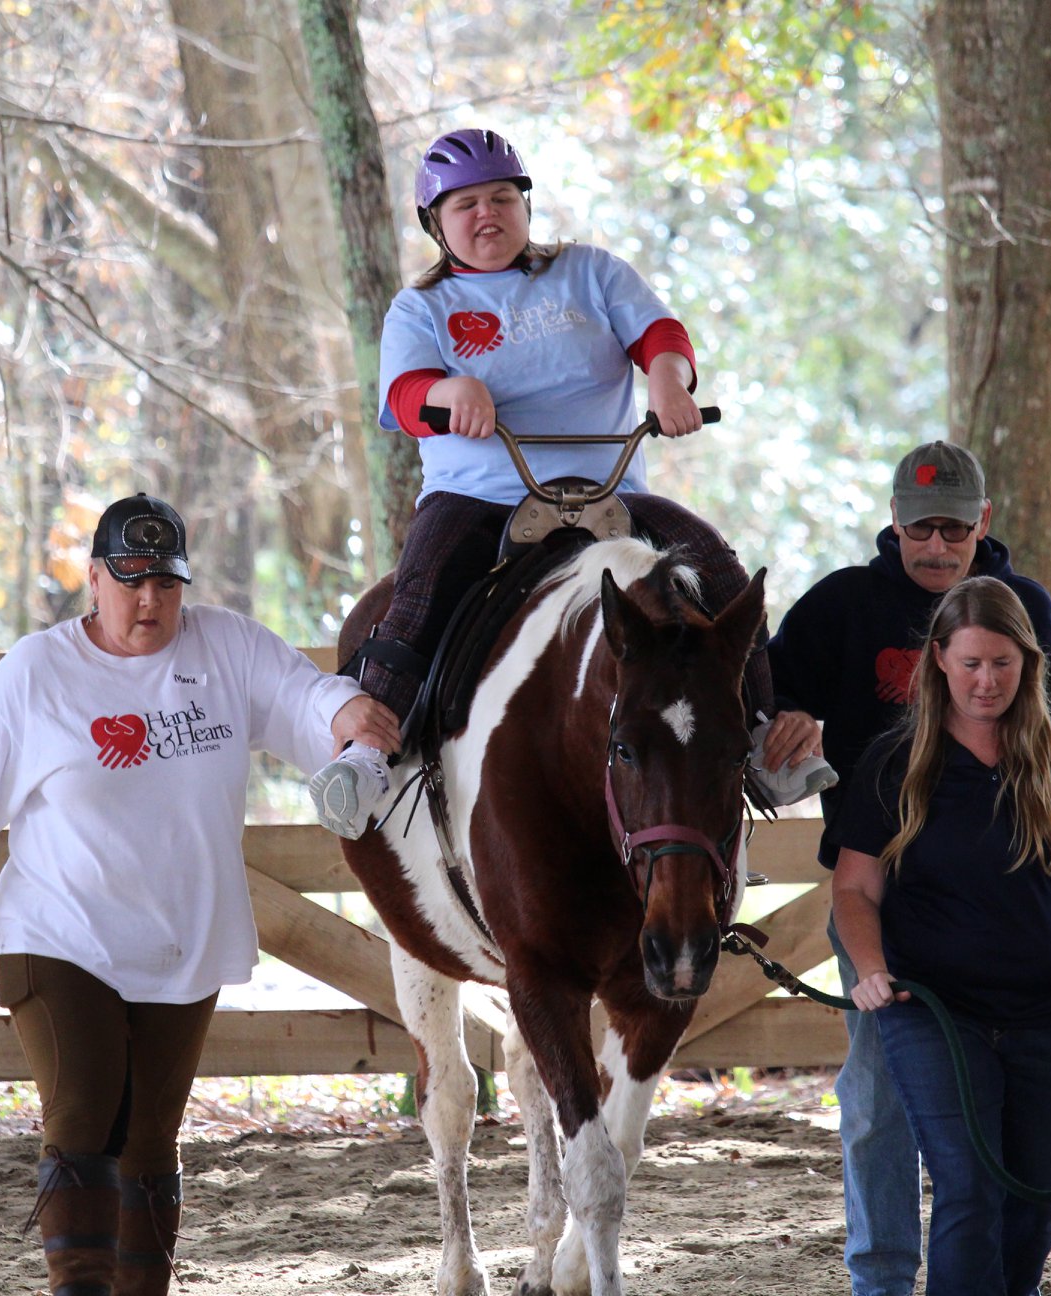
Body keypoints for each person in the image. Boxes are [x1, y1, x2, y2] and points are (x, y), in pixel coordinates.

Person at [0, 493, 400, 1296]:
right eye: (130, 581)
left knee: (152, 1137)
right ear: (93, 579)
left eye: (166, 582)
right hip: (61, 936)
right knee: (87, 1115)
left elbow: (301, 697)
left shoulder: (224, 647)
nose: (150, 600)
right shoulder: (36, 673)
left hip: (181, 941)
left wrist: (344, 710)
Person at [305, 126, 833, 838]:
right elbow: (403, 395)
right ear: (436, 224)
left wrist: (668, 385)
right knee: (420, 592)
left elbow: (660, 336)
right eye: (465, 205)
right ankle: (369, 752)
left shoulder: (589, 272)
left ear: (526, 205)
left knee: (717, 568)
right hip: (481, 496)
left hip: (607, 493)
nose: (487, 214)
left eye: (502, 197)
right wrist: (448, 391)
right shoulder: (420, 309)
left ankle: (765, 737)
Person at [764, 440, 1051, 1296]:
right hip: (882, 897)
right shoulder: (842, 604)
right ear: (894, 521)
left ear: (983, 523)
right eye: (921, 528)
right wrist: (789, 716)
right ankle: (881, 1278)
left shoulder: (1026, 610)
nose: (936, 546)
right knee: (880, 1094)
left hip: (1020, 899)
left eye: (954, 527)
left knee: (1012, 1129)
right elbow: (759, 690)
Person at [830, 576, 1051, 1296]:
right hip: (936, 1014)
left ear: (1028, 664)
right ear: (940, 661)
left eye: (1003, 664)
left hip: (1048, 1010)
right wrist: (868, 966)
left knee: (1039, 1195)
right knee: (968, 1185)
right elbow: (854, 888)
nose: (987, 682)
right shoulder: (896, 764)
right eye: (972, 663)